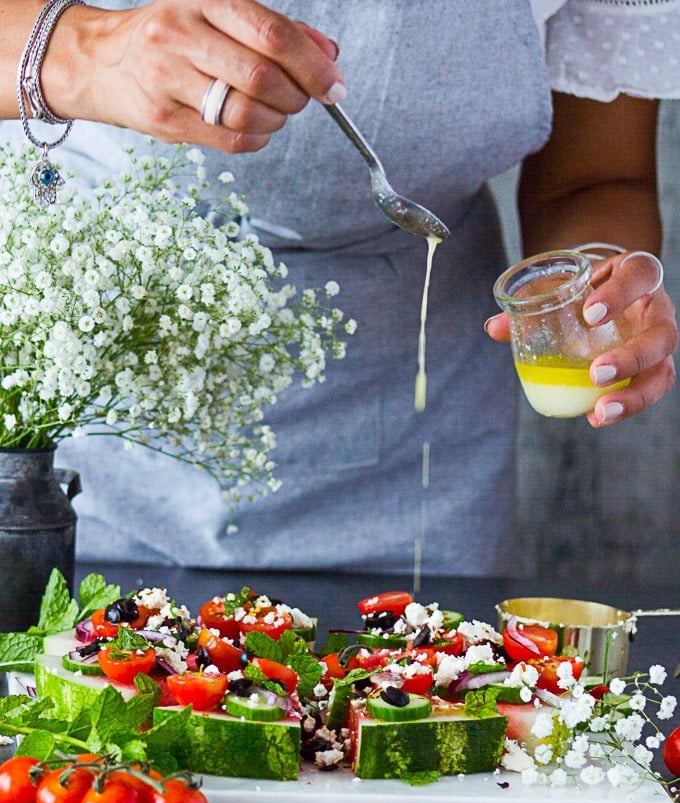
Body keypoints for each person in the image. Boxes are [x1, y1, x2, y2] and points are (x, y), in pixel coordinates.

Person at [0, 0, 677, 575]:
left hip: (419, 436)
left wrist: (592, 291)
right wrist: (83, 49)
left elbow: (594, 175)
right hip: (76, 402)